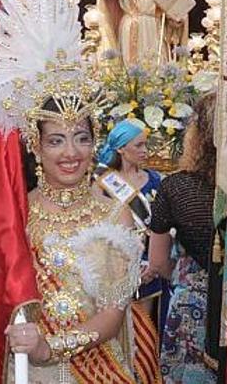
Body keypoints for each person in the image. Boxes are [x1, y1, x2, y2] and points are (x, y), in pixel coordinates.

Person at [0, 0, 154, 383]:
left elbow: (111, 313)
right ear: (36, 146)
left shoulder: (115, 215)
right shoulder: (16, 217)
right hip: (28, 370)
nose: (71, 153)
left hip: (97, 369)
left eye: (81, 138)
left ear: (95, 142)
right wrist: (30, 348)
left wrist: (51, 347)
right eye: (56, 141)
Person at [148, 93, 218, 383]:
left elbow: (157, 261)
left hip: (194, 308)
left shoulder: (176, 187)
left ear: (196, 133)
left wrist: (187, 279)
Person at [95, 118, 168, 331]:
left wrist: (153, 266)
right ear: (121, 149)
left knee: (144, 330)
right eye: (139, 145)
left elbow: (164, 226)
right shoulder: (102, 182)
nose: (145, 150)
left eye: (146, 144)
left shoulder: (156, 180)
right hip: (115, 266)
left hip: (149, 267)